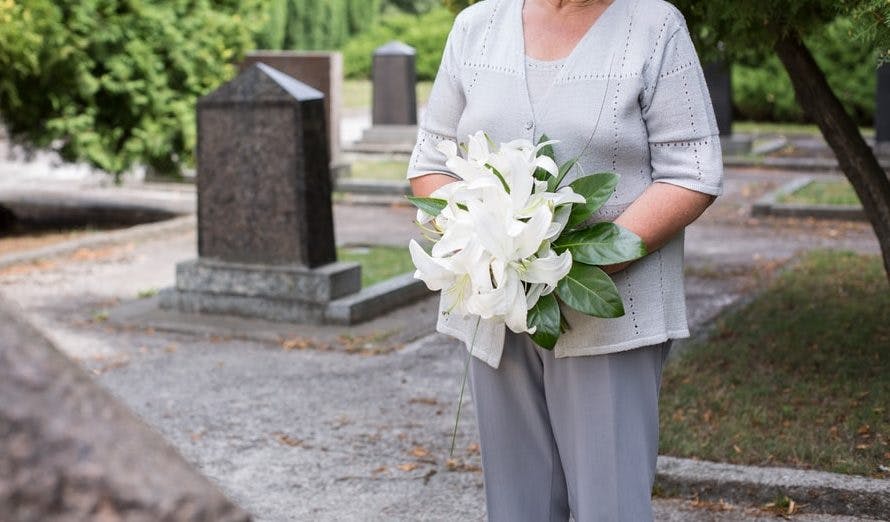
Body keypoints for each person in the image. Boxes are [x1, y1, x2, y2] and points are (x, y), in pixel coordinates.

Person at [407, 0, 723, 520]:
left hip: (609, 318)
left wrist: (586, 263)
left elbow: (692, 169)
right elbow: (431, 161)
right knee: (516, 506)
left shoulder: (653, 26)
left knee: (610, 506)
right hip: (497, 315)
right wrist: (482, 249)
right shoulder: (475, 28)